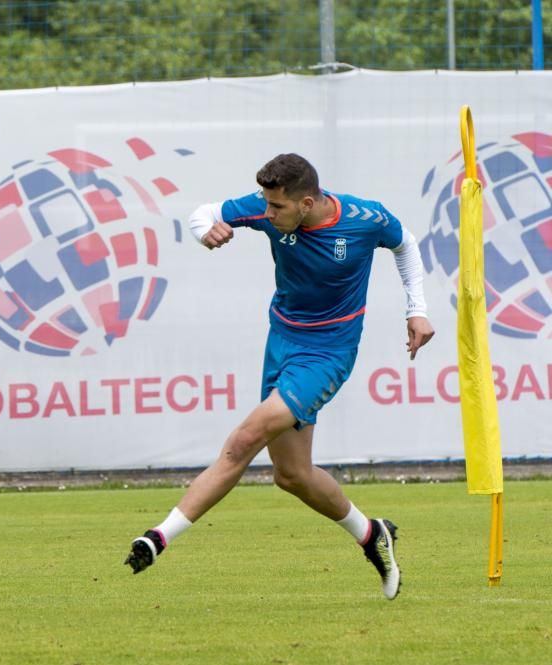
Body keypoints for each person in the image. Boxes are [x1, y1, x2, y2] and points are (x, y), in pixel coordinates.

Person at [124, 153, 435, 600]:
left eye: (276, 209)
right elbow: (204, 213)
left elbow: (404, 243)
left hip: (327, 355)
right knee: (291, 475)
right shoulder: (268, 207)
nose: (265, 214)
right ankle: (372, 534)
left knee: (243, 439)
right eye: (265, 206)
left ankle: (157, 538)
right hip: (282, 343)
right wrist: (203, 231)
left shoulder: (366, 219)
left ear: (307, 203)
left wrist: (417, 311)